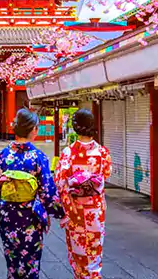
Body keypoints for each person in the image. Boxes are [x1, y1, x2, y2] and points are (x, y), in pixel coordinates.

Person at [0, 108, 65, 279]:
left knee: (12, 259)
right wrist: (57, 212)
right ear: (33, 130)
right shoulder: (38, 156)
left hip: (7, 213)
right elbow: (47, 190)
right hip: (30, 215)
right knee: (31, 261)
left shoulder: (3, 155)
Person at [55, 109, 112, 279]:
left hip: (76, 210)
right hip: (95, 210)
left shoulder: (68, 153)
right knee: (94, 253)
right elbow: (106, 175)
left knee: (78, 253)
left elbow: (59, 182)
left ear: (75, 127)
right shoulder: (103, 153)